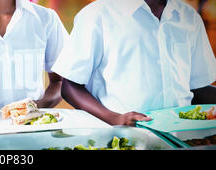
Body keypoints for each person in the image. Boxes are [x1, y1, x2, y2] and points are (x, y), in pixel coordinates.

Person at [52, 0, 216, 126]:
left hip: (181, 137)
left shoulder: (188, 16)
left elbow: (196, 86)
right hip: (122, 138)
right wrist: (116, 118)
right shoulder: (98, 14)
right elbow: (70, 87)